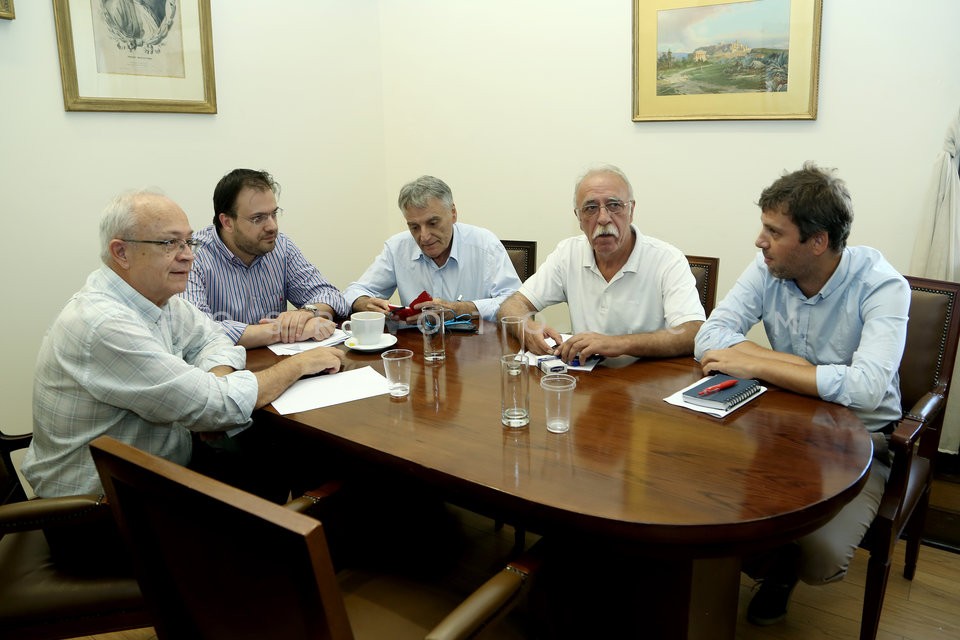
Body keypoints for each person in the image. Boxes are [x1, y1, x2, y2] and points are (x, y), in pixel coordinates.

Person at [22, 189, 345, 504]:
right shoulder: (104, 323)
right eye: (169, 243)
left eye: (188, 242)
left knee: (278, 458)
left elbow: (213, 337)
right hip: (103, 507)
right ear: (121, 252)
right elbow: (217, 407)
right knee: (290, 470)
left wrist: (216, 381)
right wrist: (298, 364)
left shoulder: (157, 298)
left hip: (156, 471)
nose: (188, 254)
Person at [694, 161, 910, 626]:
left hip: (859, 442)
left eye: (774, 232)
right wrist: (793, 368)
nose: (759, 241)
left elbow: (867, 389)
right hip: (778, 425)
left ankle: (782, 571)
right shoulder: (768, 267)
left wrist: (756, 363)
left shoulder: (881, 284)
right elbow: (709, 336)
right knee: (703, 500)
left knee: (821, 559)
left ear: (818, 242)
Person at [497, 164, 704, 362]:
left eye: (614, 205)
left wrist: (619, 344)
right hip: (586, 378)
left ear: (631, 211)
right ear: (578, 218)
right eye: (591, 208)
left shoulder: (667, 259)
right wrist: (528, 328)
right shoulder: (568, 253)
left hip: (647, 378)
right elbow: (512, 305)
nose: (603, 218)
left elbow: (693, 331)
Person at [183, 169, 349, 348]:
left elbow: (332, 296)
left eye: (274, 214)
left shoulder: (281, 246)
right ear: (227, 222)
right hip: (221, 363)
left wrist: (306, 313)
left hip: (278, 360)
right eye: (258, 218)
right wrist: (281, 331)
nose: (272, 226)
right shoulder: (192, 255)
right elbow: (195, 329)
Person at [344, 175, 521, 323]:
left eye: (433, 223)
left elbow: (516, 303)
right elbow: (353, 292)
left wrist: (460, 309)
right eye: (414, 227)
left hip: (475, 346)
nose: (424, 236)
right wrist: (364, 303)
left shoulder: (485, 245)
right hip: (417, 347)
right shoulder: (397, 248)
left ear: (453, 213)